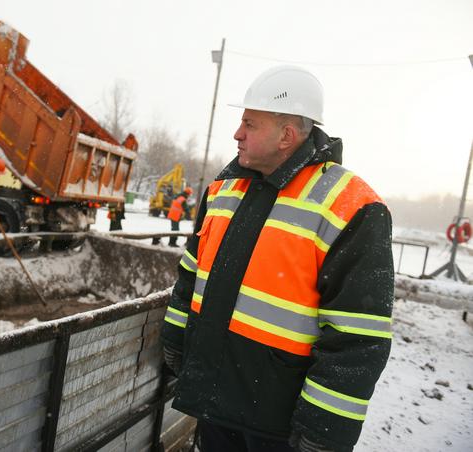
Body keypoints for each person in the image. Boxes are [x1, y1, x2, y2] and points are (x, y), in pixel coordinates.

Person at [161, 65, 394, 452]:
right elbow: (190, 273)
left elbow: (359, 335)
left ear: (286, 135)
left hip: (279, 426)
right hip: (215, 404)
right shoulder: (223, 188)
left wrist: (325, 427)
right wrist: (175, 331)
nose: (237, 134)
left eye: (250, 124)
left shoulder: (353, 206)